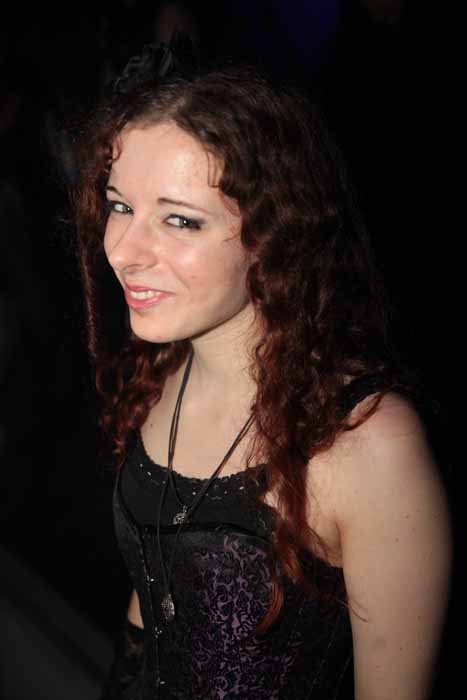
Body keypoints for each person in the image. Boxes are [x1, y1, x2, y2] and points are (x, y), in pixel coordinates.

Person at [71, 36, 452, 700]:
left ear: (276, 235)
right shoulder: (163, 367)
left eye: (180, 221)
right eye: (121, 205)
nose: (124, 250)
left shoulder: (366, 444)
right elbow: (151, 602)